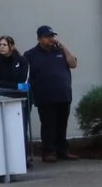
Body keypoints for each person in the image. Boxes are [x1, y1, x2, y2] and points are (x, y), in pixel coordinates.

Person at [25, 25, 78, 162]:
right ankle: (48, 151)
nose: (51, 39)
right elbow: (26, 75)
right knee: (48, 125)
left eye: (52, 36)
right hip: (45, 95)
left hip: (63, 94)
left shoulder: (60, 51)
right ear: (39, 39)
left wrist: (64, 46)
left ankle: (63, 150)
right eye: (47, 37)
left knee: (62, 124)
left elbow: (73, 64)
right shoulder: (31, 55)